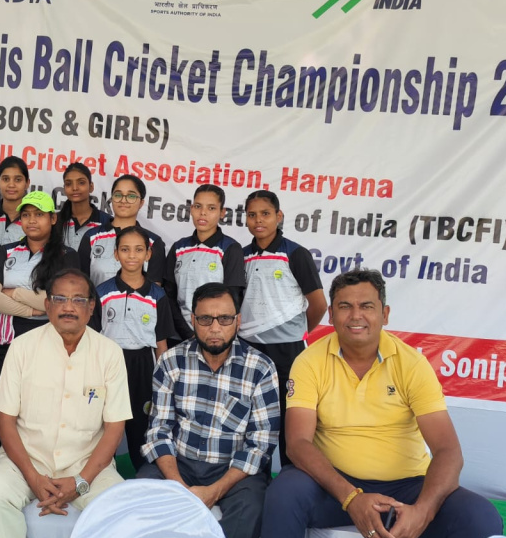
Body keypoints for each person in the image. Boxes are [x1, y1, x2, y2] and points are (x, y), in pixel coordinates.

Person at [262, 270, 504, 538]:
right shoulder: (309, 362)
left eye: (366, 306)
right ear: (331, 315)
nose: (356, 315)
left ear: (385, 313)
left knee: (481, 518)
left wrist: (423, 510)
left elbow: (448, 451)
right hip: (334, 488)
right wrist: (351, 498)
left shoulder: (411, 363)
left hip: (405, 489)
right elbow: (298, 444)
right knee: (283, 496)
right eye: (344, 306)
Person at [0, 268, 131, 538]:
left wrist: (81, 481)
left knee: (120, 511)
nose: (68, 307)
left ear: (92, 308)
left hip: (86, 461)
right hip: (26, 459)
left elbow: (114, 428)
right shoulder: (22, 347)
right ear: (47, 305)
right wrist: (33, 478)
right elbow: (5, 422)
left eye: (78, 300)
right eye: (60, 298)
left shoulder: (109, 353)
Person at [138, 282, 278, 538]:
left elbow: (259, 445)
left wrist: (214, 491)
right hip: (179, 463)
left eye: (224, 319)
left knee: (250, 509)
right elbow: (159, 432)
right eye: (205, 319)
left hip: (234, 471)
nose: (215, 328)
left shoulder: (260, 368)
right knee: (141, 495)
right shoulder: (171, 361)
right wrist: (178, 487)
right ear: (193, 320)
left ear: (237, 321)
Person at [238, 190, 326, 466]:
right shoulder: (241, 256)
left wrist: (295, 333)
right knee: (253, 422)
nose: (258, 220)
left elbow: (319, 304)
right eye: (252, 215)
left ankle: (291, 478)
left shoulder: (295, 254)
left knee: (291, 423)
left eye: (265, 214)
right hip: (249, 350)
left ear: (279, 216)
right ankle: (253, 480)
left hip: (288, 352)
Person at [93, 225, 173, 470]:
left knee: (140, 423)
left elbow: (161, 343)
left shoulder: (157, 295)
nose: (131, 255)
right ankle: (102, 473)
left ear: (148, 254)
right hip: (108, 365)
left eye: (138, 250)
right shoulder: (102, 292)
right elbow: (92, 337)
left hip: (143, 366)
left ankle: (143, 474)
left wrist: (162, 380)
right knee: (104, 421)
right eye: (125, 249)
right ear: (116, 253)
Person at [0, 190, 80, 378]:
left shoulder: (67, 255)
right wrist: (31, 310)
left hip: (50, 342)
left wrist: (14, 293)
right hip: (8, 342)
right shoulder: (5, 251)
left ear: (53, 219)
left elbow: (60, 302)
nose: (31, 220)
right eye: (26, 215)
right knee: (9, 396)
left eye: (39, 214)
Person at [164, 183, 246, 343]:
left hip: (215, 335)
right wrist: (187, 332)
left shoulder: (230, 248)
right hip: (179, 335)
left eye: (211, 208)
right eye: (198, 206)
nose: (203, 213)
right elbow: (168, 296)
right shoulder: (179, 247)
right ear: (191, 209)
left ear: (222, 213)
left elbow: (232, 299)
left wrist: (209, 329)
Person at [79, 174, 166, 287]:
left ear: (141, 203)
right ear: (112, 199)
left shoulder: (153, 242)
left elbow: (154, 291)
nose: (123, 200)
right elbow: (80, 284)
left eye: (131, 196)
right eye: (118, 195)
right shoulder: (91, 237)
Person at [57, 163, 112, 251]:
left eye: (81, 183)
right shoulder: (55, 221)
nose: (75, 188)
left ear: (91, 187)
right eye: (68, 184)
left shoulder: (107, 222)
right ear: (64, 188)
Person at [0, 157, 30, 246]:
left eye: (18, 180)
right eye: (6, 179)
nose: (11, 185)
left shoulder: (33, 219)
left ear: (27, 183)